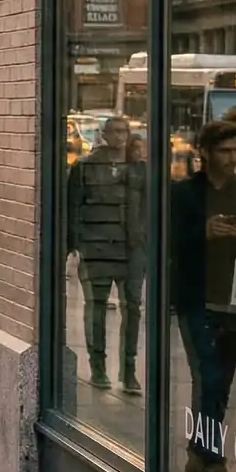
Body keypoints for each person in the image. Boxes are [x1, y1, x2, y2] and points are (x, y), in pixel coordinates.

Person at [168, 121, 236, 472]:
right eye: (225, 150)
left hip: (235, 299)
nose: (232, 158)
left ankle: (199, 450)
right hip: (197, 298)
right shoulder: (186, 194)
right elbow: (170, 241)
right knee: (207, 376)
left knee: (220, 382)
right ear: (204, 152)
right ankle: (215, 459)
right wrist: (204, 232)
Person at [65, 114, 146, 392]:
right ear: (104, 135)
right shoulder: (85, 168)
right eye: (115, 131)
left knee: (132, 308)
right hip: (96, 246)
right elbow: (72, 207)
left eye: (125, 131)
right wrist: (74, 245)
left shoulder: (138, 169)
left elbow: (149, 207)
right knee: (96, 307)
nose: (121, 137)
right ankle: (98, 366)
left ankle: (129, 369)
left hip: (131, 248)